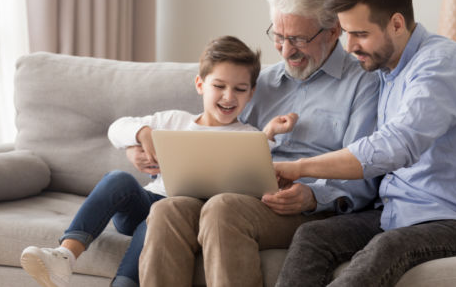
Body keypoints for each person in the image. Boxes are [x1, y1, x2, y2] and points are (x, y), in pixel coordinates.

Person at [137, 0, 380, 287]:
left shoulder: (363, 85)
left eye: (298, 39)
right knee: (168, 210)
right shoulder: (259, 84)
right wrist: (145, 145)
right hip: (239, 192)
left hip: (308, 209)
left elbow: (364, 175)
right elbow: (214, 135)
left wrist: (311, 196)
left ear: (333, 30)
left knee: (224, 209)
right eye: (278, 36)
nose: (285, 50)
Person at [273, 0, 456, 286]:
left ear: (396, 24)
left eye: (360, 34)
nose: (349, 46)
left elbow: (393, 146)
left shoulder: (441, 64)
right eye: (346, 33)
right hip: (396, 215)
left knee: (387, 247)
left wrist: (299, 167)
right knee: (313, 236)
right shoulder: (387, 70)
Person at [19, 36, 298, 287]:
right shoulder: (174, 120)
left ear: (251, 93)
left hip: (183, 216)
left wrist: (269, 135)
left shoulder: (248, 136)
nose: (228, 96)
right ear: (200, 85)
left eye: (239, 89)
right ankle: (65, 254)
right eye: (219, 86)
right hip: (147, 201)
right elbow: (117, 128)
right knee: (119, 179)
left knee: (159, 219)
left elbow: (256, 177)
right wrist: (141, 133)